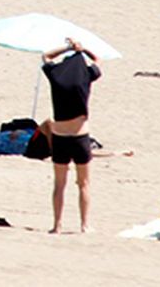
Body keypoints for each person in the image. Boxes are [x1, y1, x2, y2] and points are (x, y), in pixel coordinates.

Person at [42, 41, 101, 234]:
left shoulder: (56, 78)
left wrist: (68, 48)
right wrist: (82, 49)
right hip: (80, 137)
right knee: (83, 183)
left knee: (59, 184)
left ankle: (57, 225)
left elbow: (46, 56)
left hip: (59, 136)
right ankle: (84, 225)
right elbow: (98, 61)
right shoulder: (85, 77)